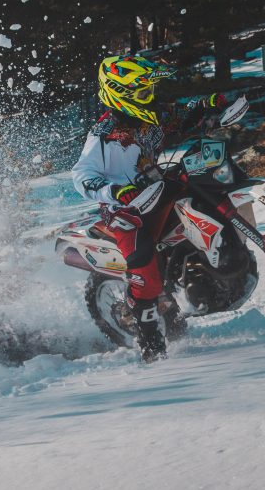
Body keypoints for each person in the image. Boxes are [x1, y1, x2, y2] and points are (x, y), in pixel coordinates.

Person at [72, 54, 226, 361]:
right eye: (143, 93)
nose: (150, 97)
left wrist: (207, 104)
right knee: (143, 265)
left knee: (204, 195)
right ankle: (151, 344)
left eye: (150, 91)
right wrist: (115, 190)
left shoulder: (150, 115)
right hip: (123, 210)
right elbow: (81, 176)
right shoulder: (102, 135)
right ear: (121, 94)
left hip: (156, 188)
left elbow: (181, 116)